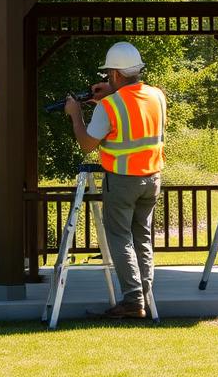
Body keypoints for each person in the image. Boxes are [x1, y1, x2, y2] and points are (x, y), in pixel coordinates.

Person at [64, 41, 166, 319]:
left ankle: (133, 300)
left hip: (122, 180)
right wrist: (111, 93)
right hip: (152, 178)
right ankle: (143, 295)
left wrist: (76, 115)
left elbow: (87, 144)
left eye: (110, 74)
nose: (108, 78)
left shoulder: (109, 106)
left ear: (117, 75)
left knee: (120, 238)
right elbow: (134, 108)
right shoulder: (157, 96)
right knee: (142, 237)